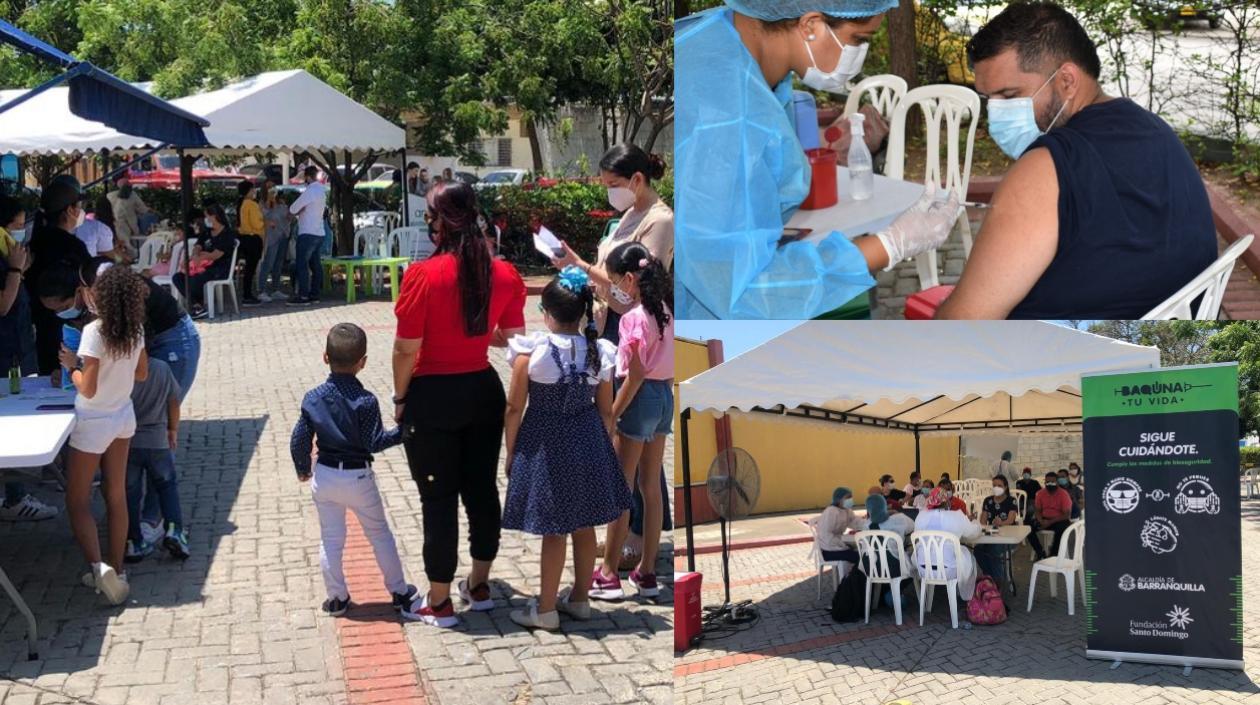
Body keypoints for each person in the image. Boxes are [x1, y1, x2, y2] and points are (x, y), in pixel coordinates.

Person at [675, 0, 961, 319]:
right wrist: (890, 244)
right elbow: (742, 292)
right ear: (811, 26)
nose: (860, 54)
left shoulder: (726, 41)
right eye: (860, 39)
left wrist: (826, 141)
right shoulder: (726, 116)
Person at [937, 2, 1215, 319]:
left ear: (1067, 81)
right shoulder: (1155, 130)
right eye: (989, 100)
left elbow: (963, 320)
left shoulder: (1046, 167)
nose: (995, 114)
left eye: (1010, 96)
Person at [392, 182, 526, 627]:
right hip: (482, 392)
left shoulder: (422, 275)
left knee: (439, 499)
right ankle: (481, 584)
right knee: (482, 491)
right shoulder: (503, 274)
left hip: (433, 397)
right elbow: (509, 339)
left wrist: (399, 397)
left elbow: (406, 349)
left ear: (438, 221)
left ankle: (439, 600)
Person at [549, 143, 675, 572]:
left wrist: (583, 266)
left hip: (632, 331)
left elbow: (635, 288)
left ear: (637, 180)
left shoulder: (660, 220)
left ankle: (634, 538)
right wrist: (577, 266)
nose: (609, 193)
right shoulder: (630, 213)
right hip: (610, 326)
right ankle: (626, 536)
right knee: (634, 450)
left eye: (614, 185)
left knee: (634, 450)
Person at [501, 267, 633, 630]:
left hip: (545, 443)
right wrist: (602, 449)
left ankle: (545, 608)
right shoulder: (598, 352)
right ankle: (579, 597)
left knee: (554, 528)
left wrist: (511, 451)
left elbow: (514, 408)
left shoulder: (533, 353)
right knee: (584, 522)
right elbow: (606, 410)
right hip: (587, 437)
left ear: (546, 313)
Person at [292, 323, 418, 618]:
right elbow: (374, 442)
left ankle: (336, 598)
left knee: (331, 538)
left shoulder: (312, 398)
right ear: (362, 363)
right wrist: (403, 432)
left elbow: (299, 438)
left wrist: (302, 468)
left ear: (325, 357)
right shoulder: (366, 400)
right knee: (379, 534)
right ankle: (399, 592)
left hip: (324, 475)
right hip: (358, 477)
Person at [58, 265, 149, 606]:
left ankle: (99, 570)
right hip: (123, 416)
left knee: (77, 500)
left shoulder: (95, 331)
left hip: (93, 420)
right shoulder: (136, 329)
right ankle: (118, 570)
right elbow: (141, 374)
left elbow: (89, 389)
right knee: (116, 495)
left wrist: (72, 368)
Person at [591, 242, 673, 601]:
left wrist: (612, 414)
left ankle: (609, 573)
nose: (615, 290)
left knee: (621, 489)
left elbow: (635, 372)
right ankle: (648, 571)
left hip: (638, 397)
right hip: (665, 396)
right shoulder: (668, 312)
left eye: (615, 283)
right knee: (650, 488)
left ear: (629, 279)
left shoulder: (633, 318)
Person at [0, 197, 59, 523]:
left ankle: (15, 493)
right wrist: (13, 269)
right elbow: (3, 305)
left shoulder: (9, 252)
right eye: (19, 225)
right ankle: (16, 496)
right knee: (10, 420)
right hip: (5, 353)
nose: (23, 233)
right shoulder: (5, 259)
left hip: (17, 347)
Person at [122, 358, 188, 562]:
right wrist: (173, 429)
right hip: (158, 440)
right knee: (167, 486)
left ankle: (134, 541)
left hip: (129, 441)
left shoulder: (120, 372)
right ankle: (174, 530)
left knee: (131, 493)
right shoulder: (161, 368)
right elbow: (174, 401)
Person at [26, 181, 90, 376]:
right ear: (70, 210)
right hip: (71, 330)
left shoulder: (33, 241)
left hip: (41, 329)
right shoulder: (72, 246)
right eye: (80, 207)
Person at [913, 487, 982, 601]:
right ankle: (968, 596)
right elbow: (972, 533)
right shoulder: (956, 516)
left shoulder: (921, 516)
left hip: (923, 568)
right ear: (946, 501)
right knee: (969, 557)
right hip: (949, 569)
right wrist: (977, 524)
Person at [173, 204, 237, 319]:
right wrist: (195, 255)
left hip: (219, 268)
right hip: (202, 265)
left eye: (207, 216)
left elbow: (216, 255)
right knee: (178, 277)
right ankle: (197, 305)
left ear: (215, 216)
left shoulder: (227, 234)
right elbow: (198, 245)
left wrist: (202, 257)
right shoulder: (207, 232)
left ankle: (198, 305)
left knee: (195, 280)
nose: (205, 219)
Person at [288, 166, 328, 306]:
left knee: (302, 264)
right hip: (319, 232)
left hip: (307, 232)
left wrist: (299, 211)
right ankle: (314, 294)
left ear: (308, 177)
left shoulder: (310, 191)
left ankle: (303, 295)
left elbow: (293, 208)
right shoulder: (322, 190)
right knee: (315, 265)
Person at [975, 475, 1019, 582]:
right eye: (994, 485)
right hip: (992, 535)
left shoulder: (1011, 500)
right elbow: (983, 522)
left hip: (1008, 537)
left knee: (992, 550)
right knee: (977, 550)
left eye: (999, 485)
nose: (996, 487)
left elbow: (1011, 520)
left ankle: (998, 579)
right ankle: (990, 576)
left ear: (1006, 487)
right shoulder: (988, 500)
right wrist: (983, 521)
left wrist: (1001, 523)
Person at [258, 180, 292, 301]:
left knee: (278, 264)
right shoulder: (262, 203)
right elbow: (262, 217)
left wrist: (290, 215)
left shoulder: (281, 202)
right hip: (271, 238)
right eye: (269, 187)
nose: (272, 189)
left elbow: (287, 217)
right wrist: (269, 201)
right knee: (268, 264)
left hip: (283, 235)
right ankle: (261, 290)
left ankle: (276, 289)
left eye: (273, 186)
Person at [1028, 471, 1073, 560]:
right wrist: (1041, 520)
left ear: (1057, 482)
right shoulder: (1041, 493)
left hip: (1059, 520)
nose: (1050, 484)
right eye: (1048, 482)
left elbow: (1066, 514)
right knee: (1029, 528)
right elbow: (1037, 510)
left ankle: (1053, 555)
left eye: (1052, 482)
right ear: (1045, 482)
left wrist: (1049, 522)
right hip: (1044, 519)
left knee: (1061, 530)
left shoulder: (1063, 494)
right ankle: (1040, 552)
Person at [235, 181, 266, 306]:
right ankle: (247, 295)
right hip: (253, 238)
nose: (255, 192)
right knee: (250, 269)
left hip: (244, 238)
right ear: (248, 190)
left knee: (248, 268)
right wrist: (265, 222)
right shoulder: (252, 205)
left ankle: (247, 293)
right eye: (253, 189)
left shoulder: (241, 204)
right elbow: (256, 223)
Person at [816, 487, 861, 563]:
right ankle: (852, 575)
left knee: (862, 552)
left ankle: (852, 574)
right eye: (848, 498)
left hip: (838, 546)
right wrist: (843, 545)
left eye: (851, 497)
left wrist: (869, 524)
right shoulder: (831, 512)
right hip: (828, 550)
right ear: (839, 499)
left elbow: (855, 522)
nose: (850, 500)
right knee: (859, 557)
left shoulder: (847, 511)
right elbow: (826, 536)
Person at [106, 173, 149, 251]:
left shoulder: (109, 196)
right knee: (129, 247)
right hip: (129, 226)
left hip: (114, 225)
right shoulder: (132, 195)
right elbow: (142, 209)